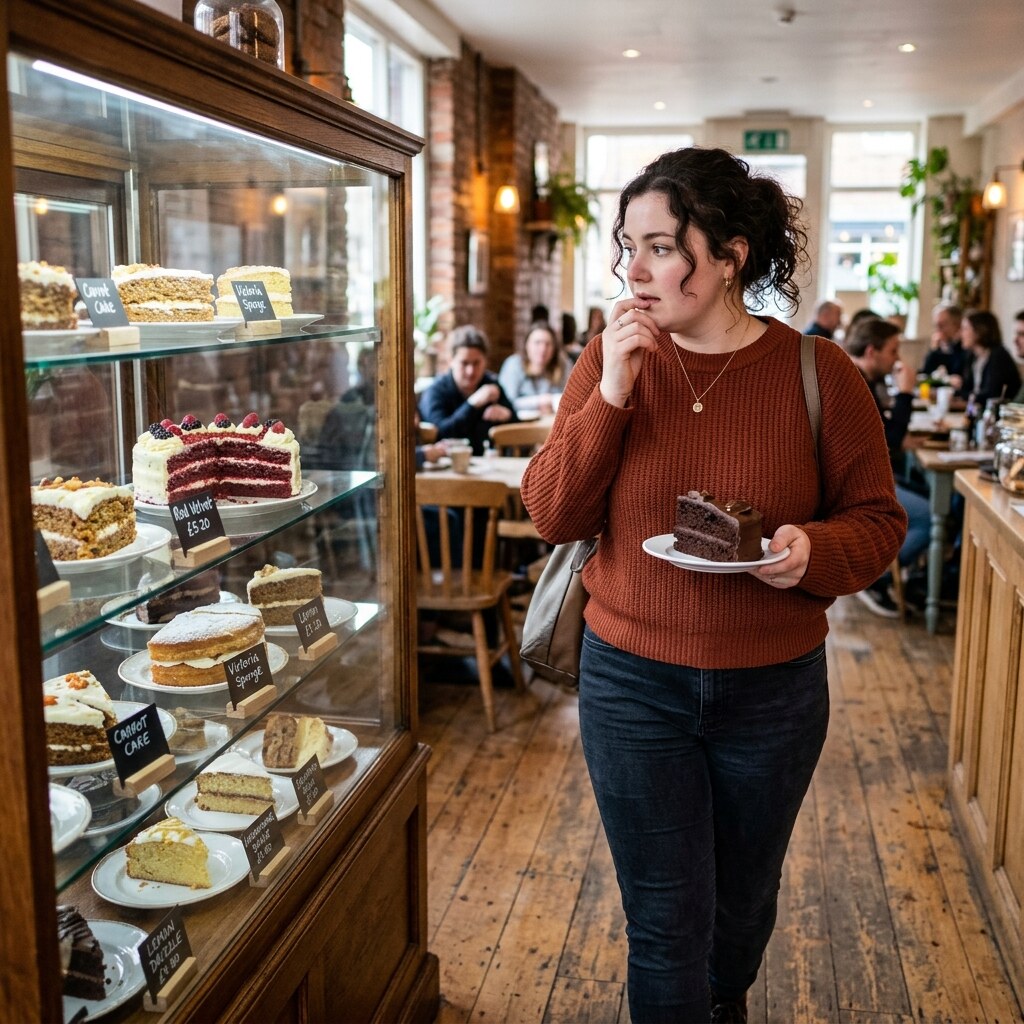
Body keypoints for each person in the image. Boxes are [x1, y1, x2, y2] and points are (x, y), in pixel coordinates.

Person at [520, 146, 905, 1024]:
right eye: (627, 247)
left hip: (772, 692)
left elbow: (879, 523)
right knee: (662, 924)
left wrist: (814, 551)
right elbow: (551, 512)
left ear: (729, 255)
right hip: (631, 683)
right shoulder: (610, 359)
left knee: (739, 911)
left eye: (661, 245)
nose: (636, 270)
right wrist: (612, 391)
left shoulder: (820, 373)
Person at [843, 316, 930, 616]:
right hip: (855, 483)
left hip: (862, 473)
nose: (897, 360)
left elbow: (882, 437)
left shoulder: (858, 376)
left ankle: (913, 580)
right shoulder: (856, 380)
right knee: (929, 517)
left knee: (925, 493)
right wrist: (906, 391)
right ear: (871, 351)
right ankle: (876, 578)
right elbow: (889, 442)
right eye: (893, 351)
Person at [418, 324, 517, 454]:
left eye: (476, 363)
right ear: (451, 361)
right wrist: (473, 403)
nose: (471, 371)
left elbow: (518, 426)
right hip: (447, 468)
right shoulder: (435, 391)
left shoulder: (491, 384)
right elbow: (440, 433)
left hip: (490, 467)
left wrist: (507, 415)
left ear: (485, 361)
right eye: (464, 363)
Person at [498, 319, 573, 413]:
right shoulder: (514, 365)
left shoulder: (563, 365)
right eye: (537, 343)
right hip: (519, 425)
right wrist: (540, 401)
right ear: (527, 345)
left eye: (548, 344)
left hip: (551, 424)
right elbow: (505, 403)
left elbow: (572, 400)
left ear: (554, 348)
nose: (543, 349)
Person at [959, 308, 1021, 406]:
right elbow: (966, 389)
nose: (961, 334)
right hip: (977, 411)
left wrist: (967, 395)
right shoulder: (973, 356)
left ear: (979, 331)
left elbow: (991, 395)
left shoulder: (999, 355)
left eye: (965, 328)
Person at [920, 302, 966, 382]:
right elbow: (926, 374)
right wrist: (934, 350)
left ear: (957, 325)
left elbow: (957, 373)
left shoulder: (966, 347)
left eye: (942, 325)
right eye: (936, 326)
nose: (938, 330)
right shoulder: (939, 347)